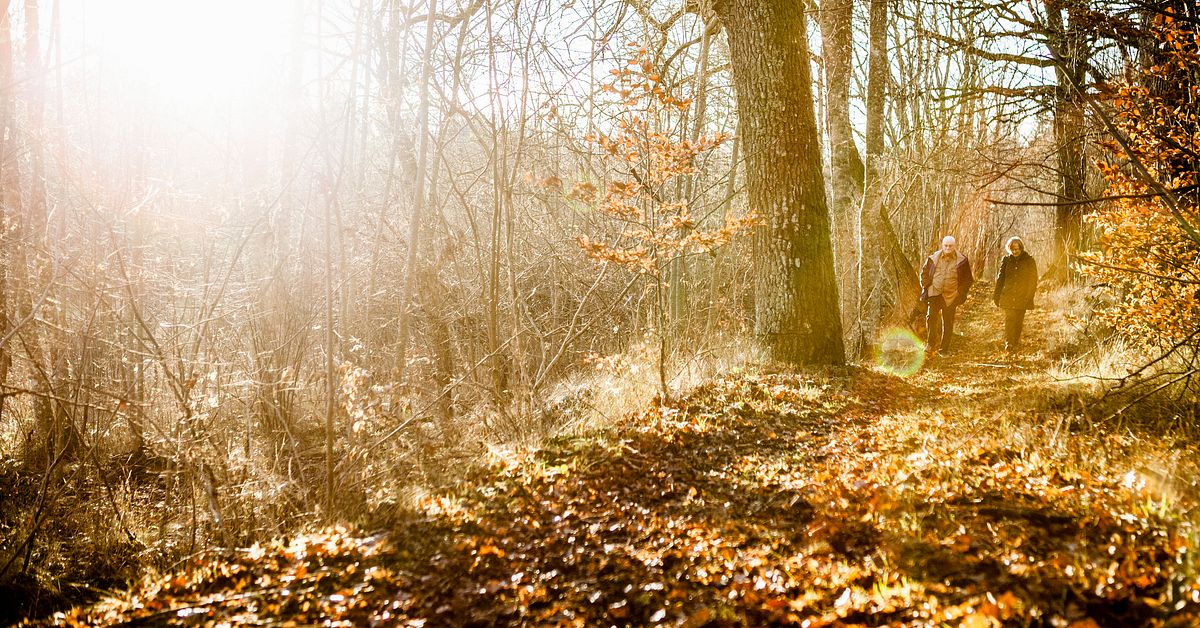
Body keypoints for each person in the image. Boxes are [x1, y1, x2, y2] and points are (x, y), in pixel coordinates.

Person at [919, 235, 974, 356]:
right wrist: (926, 286)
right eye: (946, 245)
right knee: (930, 317)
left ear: (955, 246)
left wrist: (959, 292)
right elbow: (924, 273)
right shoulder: (933, 258)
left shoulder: (962, 260)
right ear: (942, 246)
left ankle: (944, 349)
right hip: (934, 293)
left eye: (950, 246)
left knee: (948, 322)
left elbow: (968, 280)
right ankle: (930, 344)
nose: (948, 248)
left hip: (951, 295)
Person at [993, 236, 1038, 353]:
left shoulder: (1029, 261)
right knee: (1010, 318)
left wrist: (1029, 296)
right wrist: (996, 295)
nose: (1014, 252)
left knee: (1018, 321)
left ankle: (1015, 342)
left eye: (1016, 249)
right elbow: (1001, 278)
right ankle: (1009, 343)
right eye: (1012, 250)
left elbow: (1033, 280)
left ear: (1021, 248)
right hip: (1008, 295)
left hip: (1022, 296)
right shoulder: (1006, 260)